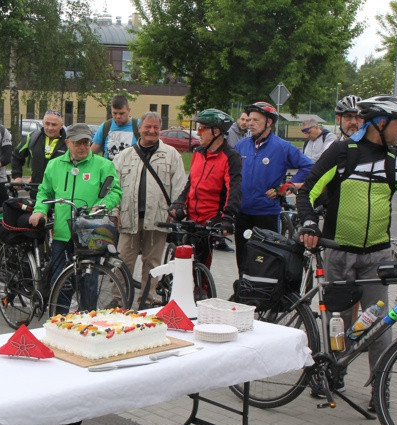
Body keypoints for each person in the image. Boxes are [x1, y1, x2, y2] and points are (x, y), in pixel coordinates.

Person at [298, 95, 397, 409]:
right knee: (337, 321)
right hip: (339, 252)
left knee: (379, 324)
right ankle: (333, 374)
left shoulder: (395, 160)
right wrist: (309, 223)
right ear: (380, 122)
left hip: (378, 257)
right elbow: (308, 190)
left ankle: (380, 389)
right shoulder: (342, 152)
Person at [29, 123, 122, 303]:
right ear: (67, 142)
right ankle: (58, 320)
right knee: (60, 283)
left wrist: (101, 206)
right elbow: (44, 191)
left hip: (90, 233)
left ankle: (87, 321)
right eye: (78, 142)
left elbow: (115, 191)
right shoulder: (55, 165)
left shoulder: (103, 165)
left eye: (86, 142)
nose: (82, 147)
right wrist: (40, 210)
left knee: (88, 283)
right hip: (63, 233)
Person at [110, 112, 186, 304]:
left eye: (156, 128)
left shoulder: (171, 155)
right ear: (140, 129)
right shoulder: (124, 156)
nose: (151, 131)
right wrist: (114, 211)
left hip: (158, 219)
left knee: (152, 263)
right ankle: (119, 301)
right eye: (148, 127)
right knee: (122, 262)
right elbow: (113, 188)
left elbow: (179, 186)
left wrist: (175, 210)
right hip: (128, 219)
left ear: (160, 130)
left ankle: (147, 301)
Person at [234, 101, 313, 274]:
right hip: (242, 212)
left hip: (266, 213)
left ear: (269, 122)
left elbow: (309, 167)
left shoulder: (282, 147)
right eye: (248, 119)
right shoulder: (241, 145)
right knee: (243, 260)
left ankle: (263, 297)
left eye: (256, 120)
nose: (250, 123)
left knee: (265, 261)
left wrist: (287, 186)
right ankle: (243, 293)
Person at [169, 109, 241, 268]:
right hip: (191, 216)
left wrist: (228, 218)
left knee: (200, 265)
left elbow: (234, 189)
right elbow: (191, 184)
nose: (198, 133)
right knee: (179, 260)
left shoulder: (230, 157)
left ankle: (201, 291)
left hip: (210, 219)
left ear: (216, 131)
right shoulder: (198, 153)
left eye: (202, 129)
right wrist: (179, 202)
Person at [11, 109, 67, 195]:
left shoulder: (69, 142)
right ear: (43, 123)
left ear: (61, 126)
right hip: (36, 190)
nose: (50, 128)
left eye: (54, 125)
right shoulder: (33, 137)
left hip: (60, 193)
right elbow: (16, 156)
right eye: (47, 124)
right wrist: (17, 176)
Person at [91, 94, 139, 160]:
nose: (118, 116)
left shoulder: (138, 126)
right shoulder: (106, 126)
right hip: (109, 168)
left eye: (122, 113)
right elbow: (92, 152)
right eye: (115, 113)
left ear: (128, 110)